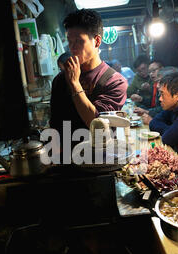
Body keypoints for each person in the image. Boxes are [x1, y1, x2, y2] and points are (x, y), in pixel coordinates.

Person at [49, 9, 127, 153]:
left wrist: (75, 84)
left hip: (101, 158)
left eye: (79, 41)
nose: (72, 48)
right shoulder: (60, 80)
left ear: (97, 41)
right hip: (67, 160)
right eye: (70, 42)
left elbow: (96, 125)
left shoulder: (115, 81)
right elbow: (55, 125)